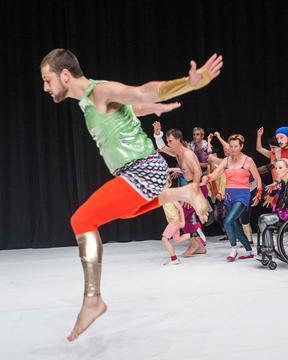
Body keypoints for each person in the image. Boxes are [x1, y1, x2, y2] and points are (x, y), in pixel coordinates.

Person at [40, 48, 222, 341]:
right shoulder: (88, 102)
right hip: (138, 172)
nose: (45, 88)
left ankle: (93, 299)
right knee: (124, 211)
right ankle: (185, 192)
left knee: (82, 220)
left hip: (142, 170)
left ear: (64, 75)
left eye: (47, 80)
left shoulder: (100, 90)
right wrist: (151, 108)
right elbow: (131, 108)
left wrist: (190, 83)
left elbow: (141, 92)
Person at [202, 134, 262, 261]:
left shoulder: (248, 160)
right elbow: (214, 175)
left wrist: (258, 193)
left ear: (241, 146)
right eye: (231, 146)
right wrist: (206, 178)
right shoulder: (226, 161)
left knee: (228, 221)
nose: (233, 149)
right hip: (229, 195)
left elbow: (257, 178)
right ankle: (249, 250)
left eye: (236, 146)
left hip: (242, 195)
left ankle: (233, 249)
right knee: (234, 224)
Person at [153, 124, 208, 255]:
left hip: (197, 188)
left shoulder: (187, 154)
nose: (168, 143)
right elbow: (162, 148)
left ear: (178, 140)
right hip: (190, 188)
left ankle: (197, 244)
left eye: (170, 141)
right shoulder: (177, 152)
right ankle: (198, 245)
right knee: (185, 217)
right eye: (168, 141)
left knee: (184, 216)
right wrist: (157, 134)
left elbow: (198, 173)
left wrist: (193, 194)